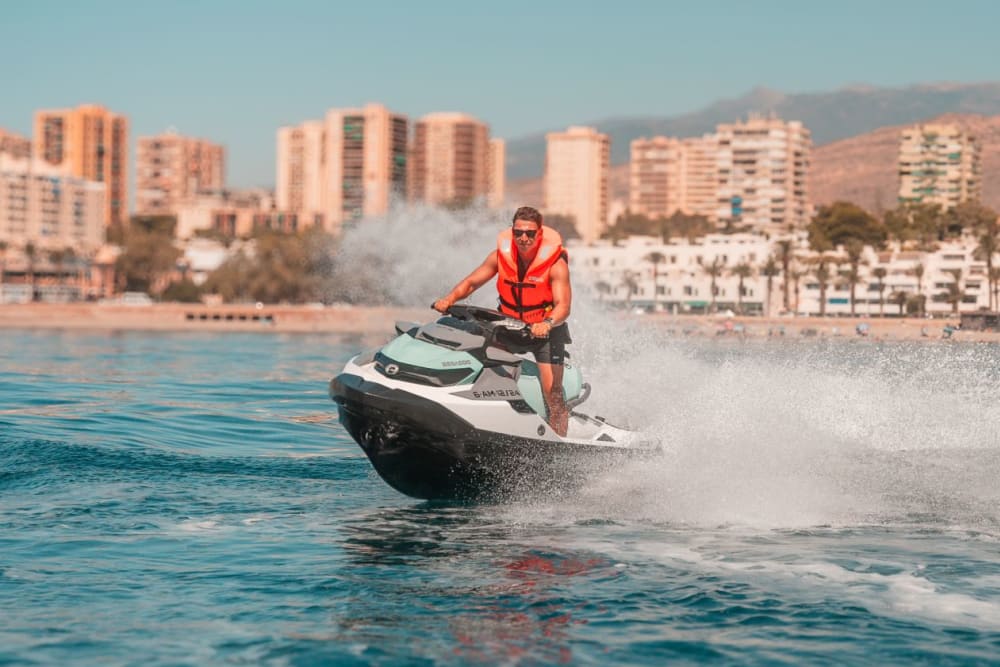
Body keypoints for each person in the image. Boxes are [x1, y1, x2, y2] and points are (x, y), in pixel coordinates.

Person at [433, 206, 572, 436]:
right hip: (509, 326)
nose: (523, 238)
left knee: (553, 393)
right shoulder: (500, 256)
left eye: (529, 233)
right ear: (512, 232)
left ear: (539, 234)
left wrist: (546, 323)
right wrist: (449, 299)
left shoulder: (556, 264)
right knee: (476, 368)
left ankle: (559, 443)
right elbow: (471, 283)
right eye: (518, 233)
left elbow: (564, 306)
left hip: (545, 331)